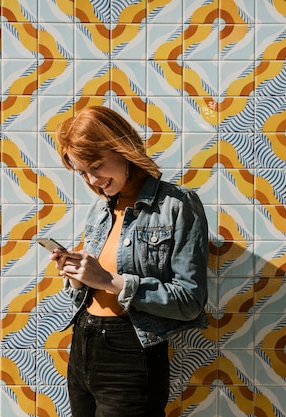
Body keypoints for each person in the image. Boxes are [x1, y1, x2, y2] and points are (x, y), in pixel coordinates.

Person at [51, 105, 209, 417]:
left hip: (131, 351)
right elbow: (90, 290)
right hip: (83, 342)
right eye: (82, 172)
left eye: (97, 166)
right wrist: (77, 277)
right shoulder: (99, 210)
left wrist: (109, 281)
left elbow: (190, 300)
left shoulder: (176, 205)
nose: (93, 180)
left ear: (123, 149)